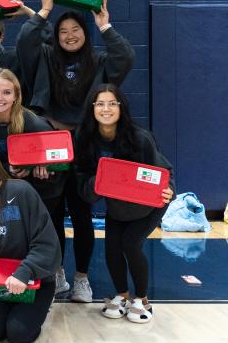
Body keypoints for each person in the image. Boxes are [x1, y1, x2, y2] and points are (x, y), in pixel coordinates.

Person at [15, 0, 135, 298]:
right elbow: (24, 41)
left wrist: (105, 26)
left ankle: (82, 277)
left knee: (81, 214)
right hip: (48, 143)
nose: (69, 36)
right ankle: (57, 273)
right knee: (51, 214)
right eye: (63, 31)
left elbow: (126, 57)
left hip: (82, 146)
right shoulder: (44, 55)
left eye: (76, 30)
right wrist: (43, 12)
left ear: (85, 32)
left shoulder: (99, 61)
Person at [74, 84, 174, 323]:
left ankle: (142, 299)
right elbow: (82, 178)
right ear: (92, 108)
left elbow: (164, 171)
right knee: (111, 250)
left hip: (148, 205)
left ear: (121, 108)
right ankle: (122, 295)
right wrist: (97, 184)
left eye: (112, 103)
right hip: (118, 207)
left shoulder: (139, 137)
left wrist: (170, 191)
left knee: (130, 244)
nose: (106, 109)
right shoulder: (86, 139)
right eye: (100, 103)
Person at [0, 68, 71, 298]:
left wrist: (43, 170)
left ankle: (52, 275)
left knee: (43, 233)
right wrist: (8, 171)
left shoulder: (35, 124)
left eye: (6, 92)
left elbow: (60, 164)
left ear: (16, 95)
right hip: (0, 190)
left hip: (42, 192)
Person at [0, 144, 61, 343]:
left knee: (18, 333)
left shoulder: (21, 190)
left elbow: (46, 241)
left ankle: (34, 311)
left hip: (33, 282)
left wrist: (25, 272)